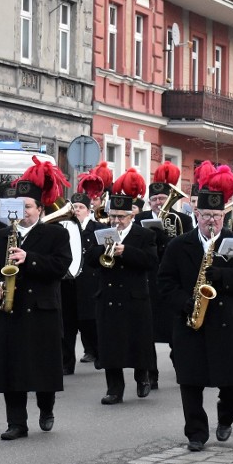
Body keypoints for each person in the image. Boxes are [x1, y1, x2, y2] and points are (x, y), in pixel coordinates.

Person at [159, 169, 233, 451]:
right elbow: (165, 282)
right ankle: (195, 433)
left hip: (228, 321)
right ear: (196, 213)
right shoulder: (179, 245)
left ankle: (225, 419)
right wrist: (186, 303)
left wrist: (223, 277)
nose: (211, 222)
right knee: (190, 382)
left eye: (216, 217)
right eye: (205, 216)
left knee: (232, 384)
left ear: (224, 216)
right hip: (191, 323)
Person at [0, 158, 72, 440]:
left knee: (43, 367)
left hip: (42, 310)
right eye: (17, 206)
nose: (22, 212)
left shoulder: (55, 234)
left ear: (40, 208)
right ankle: (16, 422)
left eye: (28, 207)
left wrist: (29, 258)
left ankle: (46, 408)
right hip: (9, 312)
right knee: (11, 367)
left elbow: (61, 267)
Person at [88, 173, 158, 405]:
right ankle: (114, 389)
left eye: (121, 216)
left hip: (134, 296)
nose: (116, 220)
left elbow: (151, 262)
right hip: (107, 295)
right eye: (113, 216)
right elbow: (89, 260)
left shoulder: (144, 235)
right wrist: (103, 249)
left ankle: (142, 377)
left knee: (138, 341)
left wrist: (125, 251)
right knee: (109, 343)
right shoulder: (102, 233)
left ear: (132, 215)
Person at [134, 162, 193, 389]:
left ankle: (180, 365)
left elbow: (185, 250)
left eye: (163, 198)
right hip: (148, 280)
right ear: (149, 202)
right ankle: (151, 374)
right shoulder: (140, 220)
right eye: (155, 199)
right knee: (147, 331)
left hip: (171, 282)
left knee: (174, 329)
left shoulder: (183, 220)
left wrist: (164, 239)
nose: (159, 203)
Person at [60, 192, 106, 374]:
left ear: (88, 211)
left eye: (80, 207)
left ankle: (100, 354)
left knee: (90, 323)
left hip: (89, 282)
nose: (76, 210)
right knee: (66, 325)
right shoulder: (64, 227)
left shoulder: (97, 228)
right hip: (68, 282)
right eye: (74, 207)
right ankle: (66, 363)